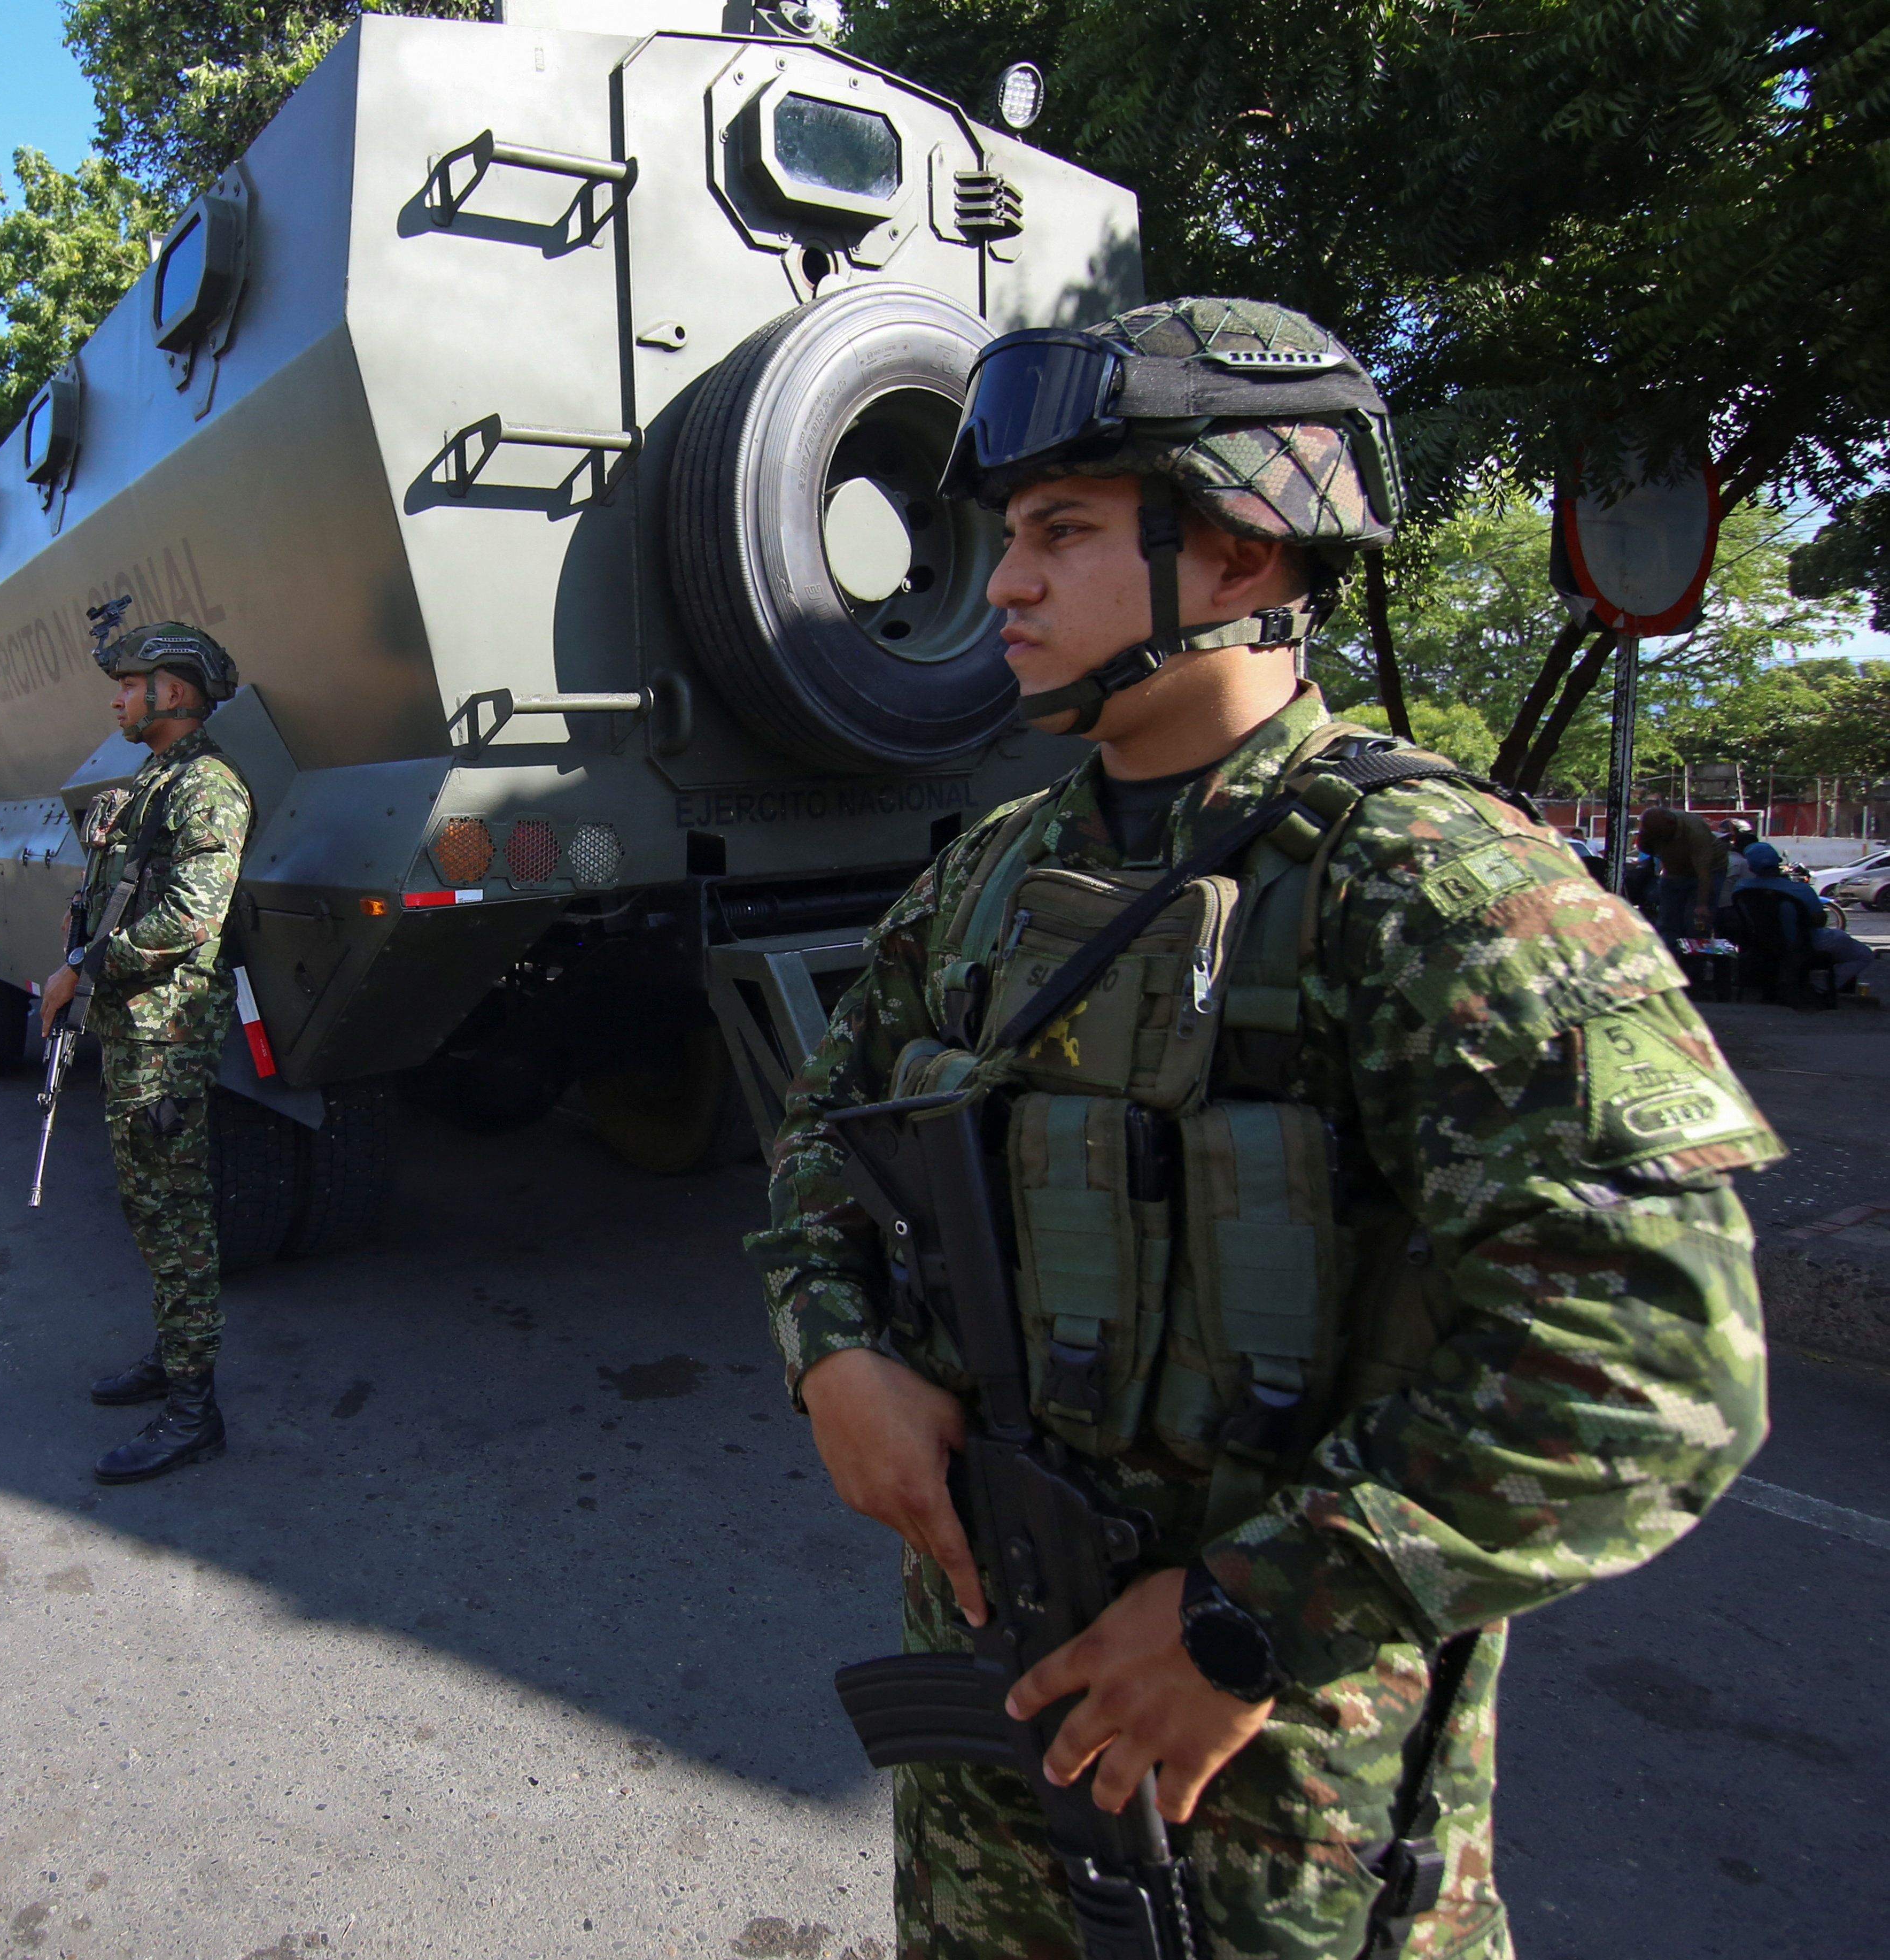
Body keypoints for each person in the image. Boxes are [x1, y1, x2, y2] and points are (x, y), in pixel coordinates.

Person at [746, 297, 1779, 1960]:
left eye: (1062, 534)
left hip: (1275, 1821)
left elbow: (1656, 1370)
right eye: (1010, 538)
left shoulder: (1434, 889)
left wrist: (1251, 1617)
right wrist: (834, 1352)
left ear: (1238, 552)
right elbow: (822, 1134)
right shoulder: (988, 875)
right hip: (990, 1784)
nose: (1002, 584)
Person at [36, 614, 253, 1485]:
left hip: (167, 1036)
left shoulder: (208, 785)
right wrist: (82, 927)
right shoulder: (156, 780)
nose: (118, 700)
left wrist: (83, 966)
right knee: (147, 1205)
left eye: (130, 685)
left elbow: (191, 917)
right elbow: (126, 889)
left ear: (175, 691)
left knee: (175, 1213)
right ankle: (173, 1358)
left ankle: (195, 1411)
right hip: (136, 1028)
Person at [1736, 841, 1877, 998]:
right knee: (1864, 954)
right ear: (1778, 863)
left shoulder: (1742, 888)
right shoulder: (1801, 890)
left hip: (1761, 943)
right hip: (1804, 944)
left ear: (1751, 868)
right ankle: (1820, 986)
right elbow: (1820, 921)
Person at [1636, 806, 1728, 946]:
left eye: (1659, 833)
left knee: (1695, 922)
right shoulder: (1652, 831)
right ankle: (1670, 954)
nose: (1657, 837)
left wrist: (1702, 905)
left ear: (1670, 824)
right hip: (1674, 872)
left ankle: (1695, 955)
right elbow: (1646, 848)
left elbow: (1704, 872)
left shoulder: (1695, 829)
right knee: (1668, 922)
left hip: (1708, 871)